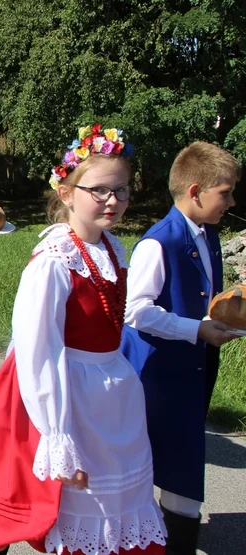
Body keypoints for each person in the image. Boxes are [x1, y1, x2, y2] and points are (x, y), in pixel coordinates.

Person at [0, 124, 166, 555]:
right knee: (26, 507)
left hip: (110, 391)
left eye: (122, 191)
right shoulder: (53, 263)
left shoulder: (112, 249)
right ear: (67, 193)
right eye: (100, 190)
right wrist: (55, 433)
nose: (114, 201)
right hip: (60, 390)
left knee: (111, 499)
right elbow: (37, 349)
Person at [121, 141, 242, 553]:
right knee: (175, 461)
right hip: (159, 373)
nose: (231, 201)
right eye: (224, 192)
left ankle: (171, 530)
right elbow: (135, 311)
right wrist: (197, 330)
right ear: (195, 191)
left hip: (192, 367)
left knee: (180, 459)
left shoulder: (207, 234)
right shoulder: (160, 242)